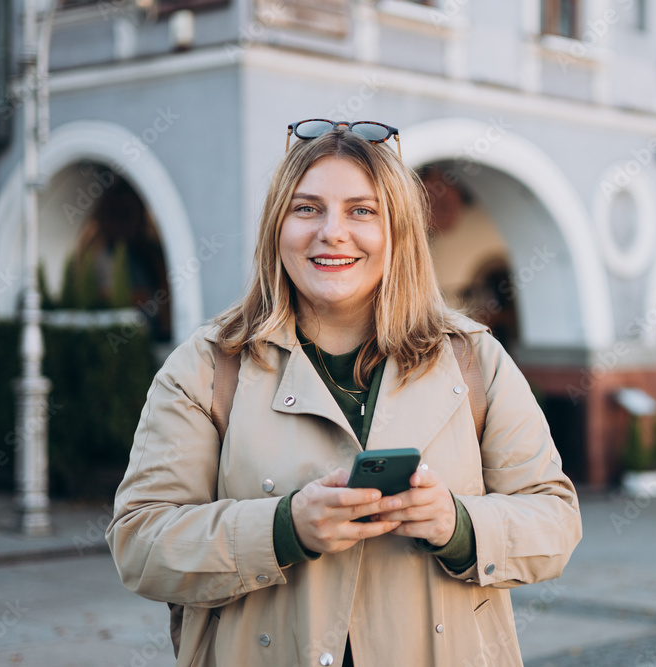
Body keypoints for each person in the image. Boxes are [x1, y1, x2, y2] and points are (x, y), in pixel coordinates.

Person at [106, 119, 582, 667]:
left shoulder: (474, 358)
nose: (332, 232)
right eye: (307, 208)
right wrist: (284, 528)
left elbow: (555, 522)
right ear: (275, 228)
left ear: (397, 231)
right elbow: (139, 543)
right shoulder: (208, 365)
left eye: (362, 210)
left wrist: (458, 525)